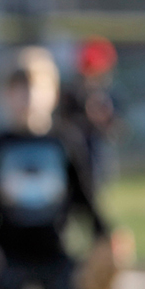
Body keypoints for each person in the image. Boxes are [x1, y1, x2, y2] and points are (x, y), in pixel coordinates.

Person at [0, 48, 112, 289]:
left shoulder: (66, 141)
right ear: (5, 95)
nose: (28, 96)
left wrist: (104, 235)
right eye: (18, 88)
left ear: (54, 93)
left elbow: (84, 195)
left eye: (36, 87)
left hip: (56, 247)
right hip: (9, 250)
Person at [55, 36, 121, 192]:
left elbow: (116, 130)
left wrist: (102, 117)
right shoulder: (71, 94)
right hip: (73, 152)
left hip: (97, 153)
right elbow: (61, 124)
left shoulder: (110, 94)